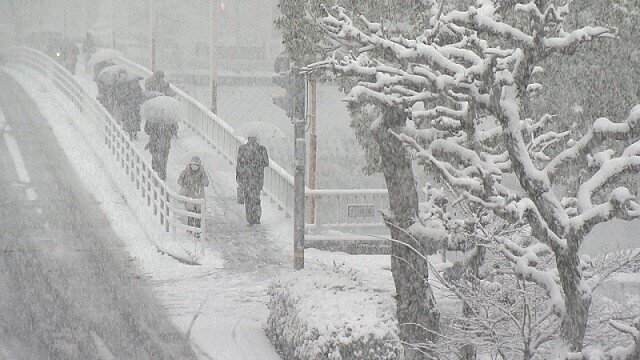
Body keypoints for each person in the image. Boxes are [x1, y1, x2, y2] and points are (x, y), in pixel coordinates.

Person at [236, 136, 269, 225]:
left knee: (251, 198)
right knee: (253, 198)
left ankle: (252, 217)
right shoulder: (259, 149)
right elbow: (266, 163)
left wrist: (238, 176)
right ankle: (254, 217)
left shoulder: (259, 149)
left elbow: (239, 164)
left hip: (251, 178)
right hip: (254, 178)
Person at [178, 156, 209, 233]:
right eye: (193, 165)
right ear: (190, 164)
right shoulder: (185, 172)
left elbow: (206, 183)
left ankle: (198, 231)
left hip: (199, 195)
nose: (194, 167)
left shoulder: (202, 173)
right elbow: (179, 181)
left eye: (196, 165)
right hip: (190, 196)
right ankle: (190, 230)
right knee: (190, 214)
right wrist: (185, 182)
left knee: (199, 214)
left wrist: (202, 181)